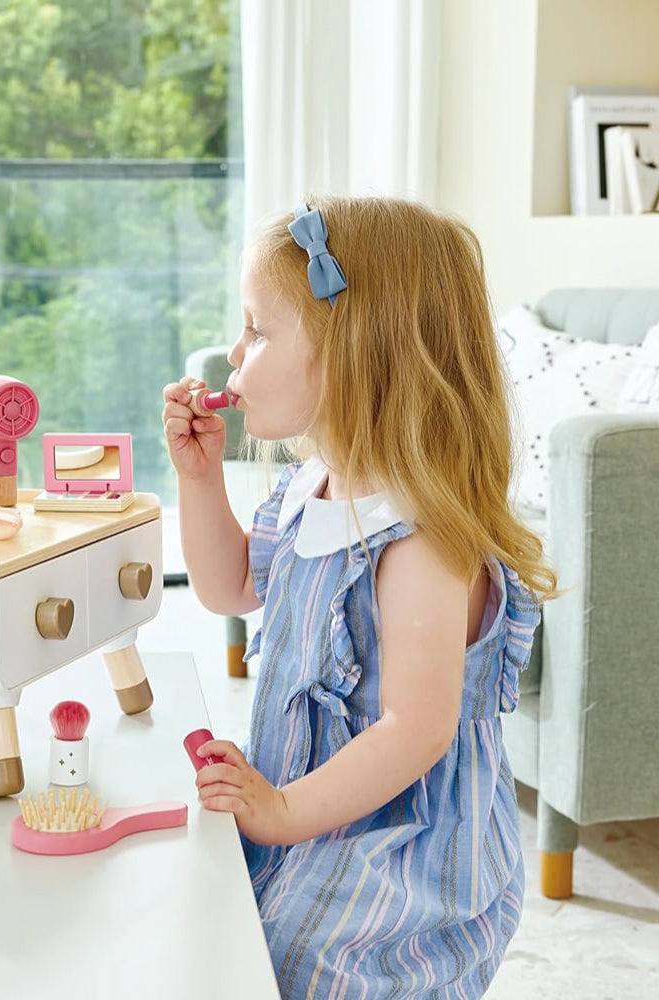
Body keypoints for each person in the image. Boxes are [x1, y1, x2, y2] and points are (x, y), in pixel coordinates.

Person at [161, 196, 559, 999]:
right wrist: (200, 481)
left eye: (258, 330)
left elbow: (415, 730)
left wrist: (280, 813)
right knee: (219, 926)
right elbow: (229, 588)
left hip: (396, 847)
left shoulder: (420, 542)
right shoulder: (312, 485)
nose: (233, 353)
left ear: (352, 355)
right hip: (306, 805)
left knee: (303, 966)